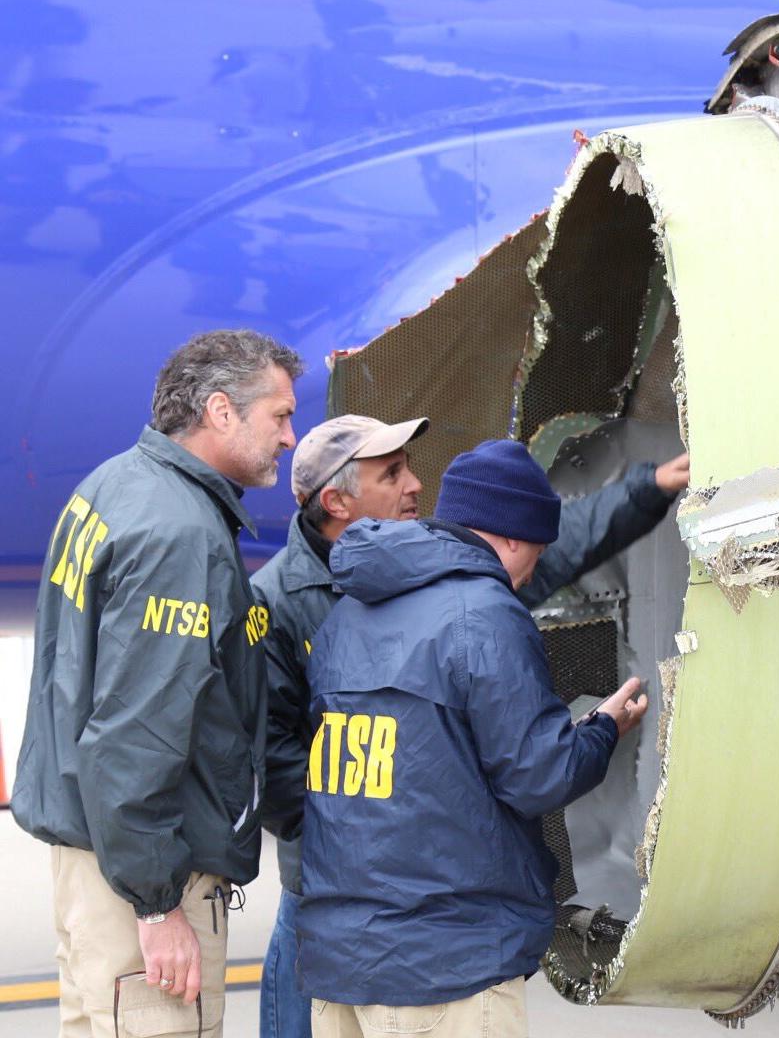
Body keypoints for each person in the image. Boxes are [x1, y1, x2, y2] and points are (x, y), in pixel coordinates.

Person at [255, 416, 687, 1038]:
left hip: (345, 947)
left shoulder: (353, 607)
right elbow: (539, 774)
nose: (412, 485)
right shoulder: (479, 610)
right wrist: (600, 729)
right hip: (443, 959)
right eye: (392, 471)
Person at [13, 329, 302, 1038]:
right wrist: (156, 905)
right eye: (280, 415)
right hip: (138, 877)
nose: (291, 438)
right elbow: (136, 733)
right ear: (221, 411)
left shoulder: (113, 483)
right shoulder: (180, 535)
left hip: (90, 857)